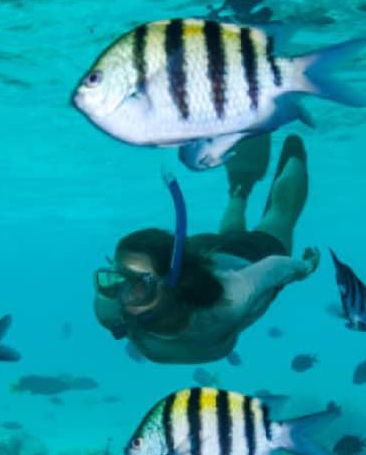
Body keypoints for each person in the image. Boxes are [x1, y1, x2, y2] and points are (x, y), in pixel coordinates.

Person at [93, 133, 319, 364]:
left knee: (279, 216)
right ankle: (239, 191)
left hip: (247, 258)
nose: (123, 297)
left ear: (173, 283)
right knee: (228, 236)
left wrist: (306, 266)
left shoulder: (229, 301)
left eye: (140, 285)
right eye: (115, 280)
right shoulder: (111, 309)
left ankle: (294, 150)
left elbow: (274, 267)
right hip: (203, 252)